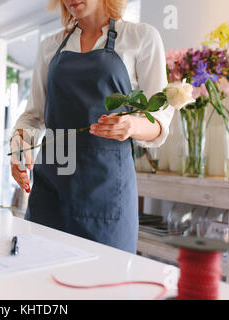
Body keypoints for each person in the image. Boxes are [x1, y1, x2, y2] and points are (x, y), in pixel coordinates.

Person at [10, 0, 174, 253]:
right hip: (51, 186)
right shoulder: (51, 46)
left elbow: (160, 122)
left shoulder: (140, 37)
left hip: (106, 190)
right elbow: (33, 117)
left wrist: (131, 125)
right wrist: (19, 145)